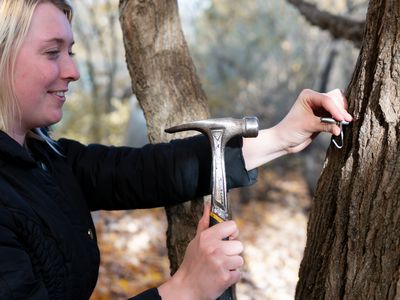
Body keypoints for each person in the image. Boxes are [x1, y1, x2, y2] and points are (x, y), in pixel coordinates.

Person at [0, 0, 353, 299]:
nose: (73, 71)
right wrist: (183, 289)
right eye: (52, 52)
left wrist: (280, 136)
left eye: (71, 52)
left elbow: (149, 171)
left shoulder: (46, 159)